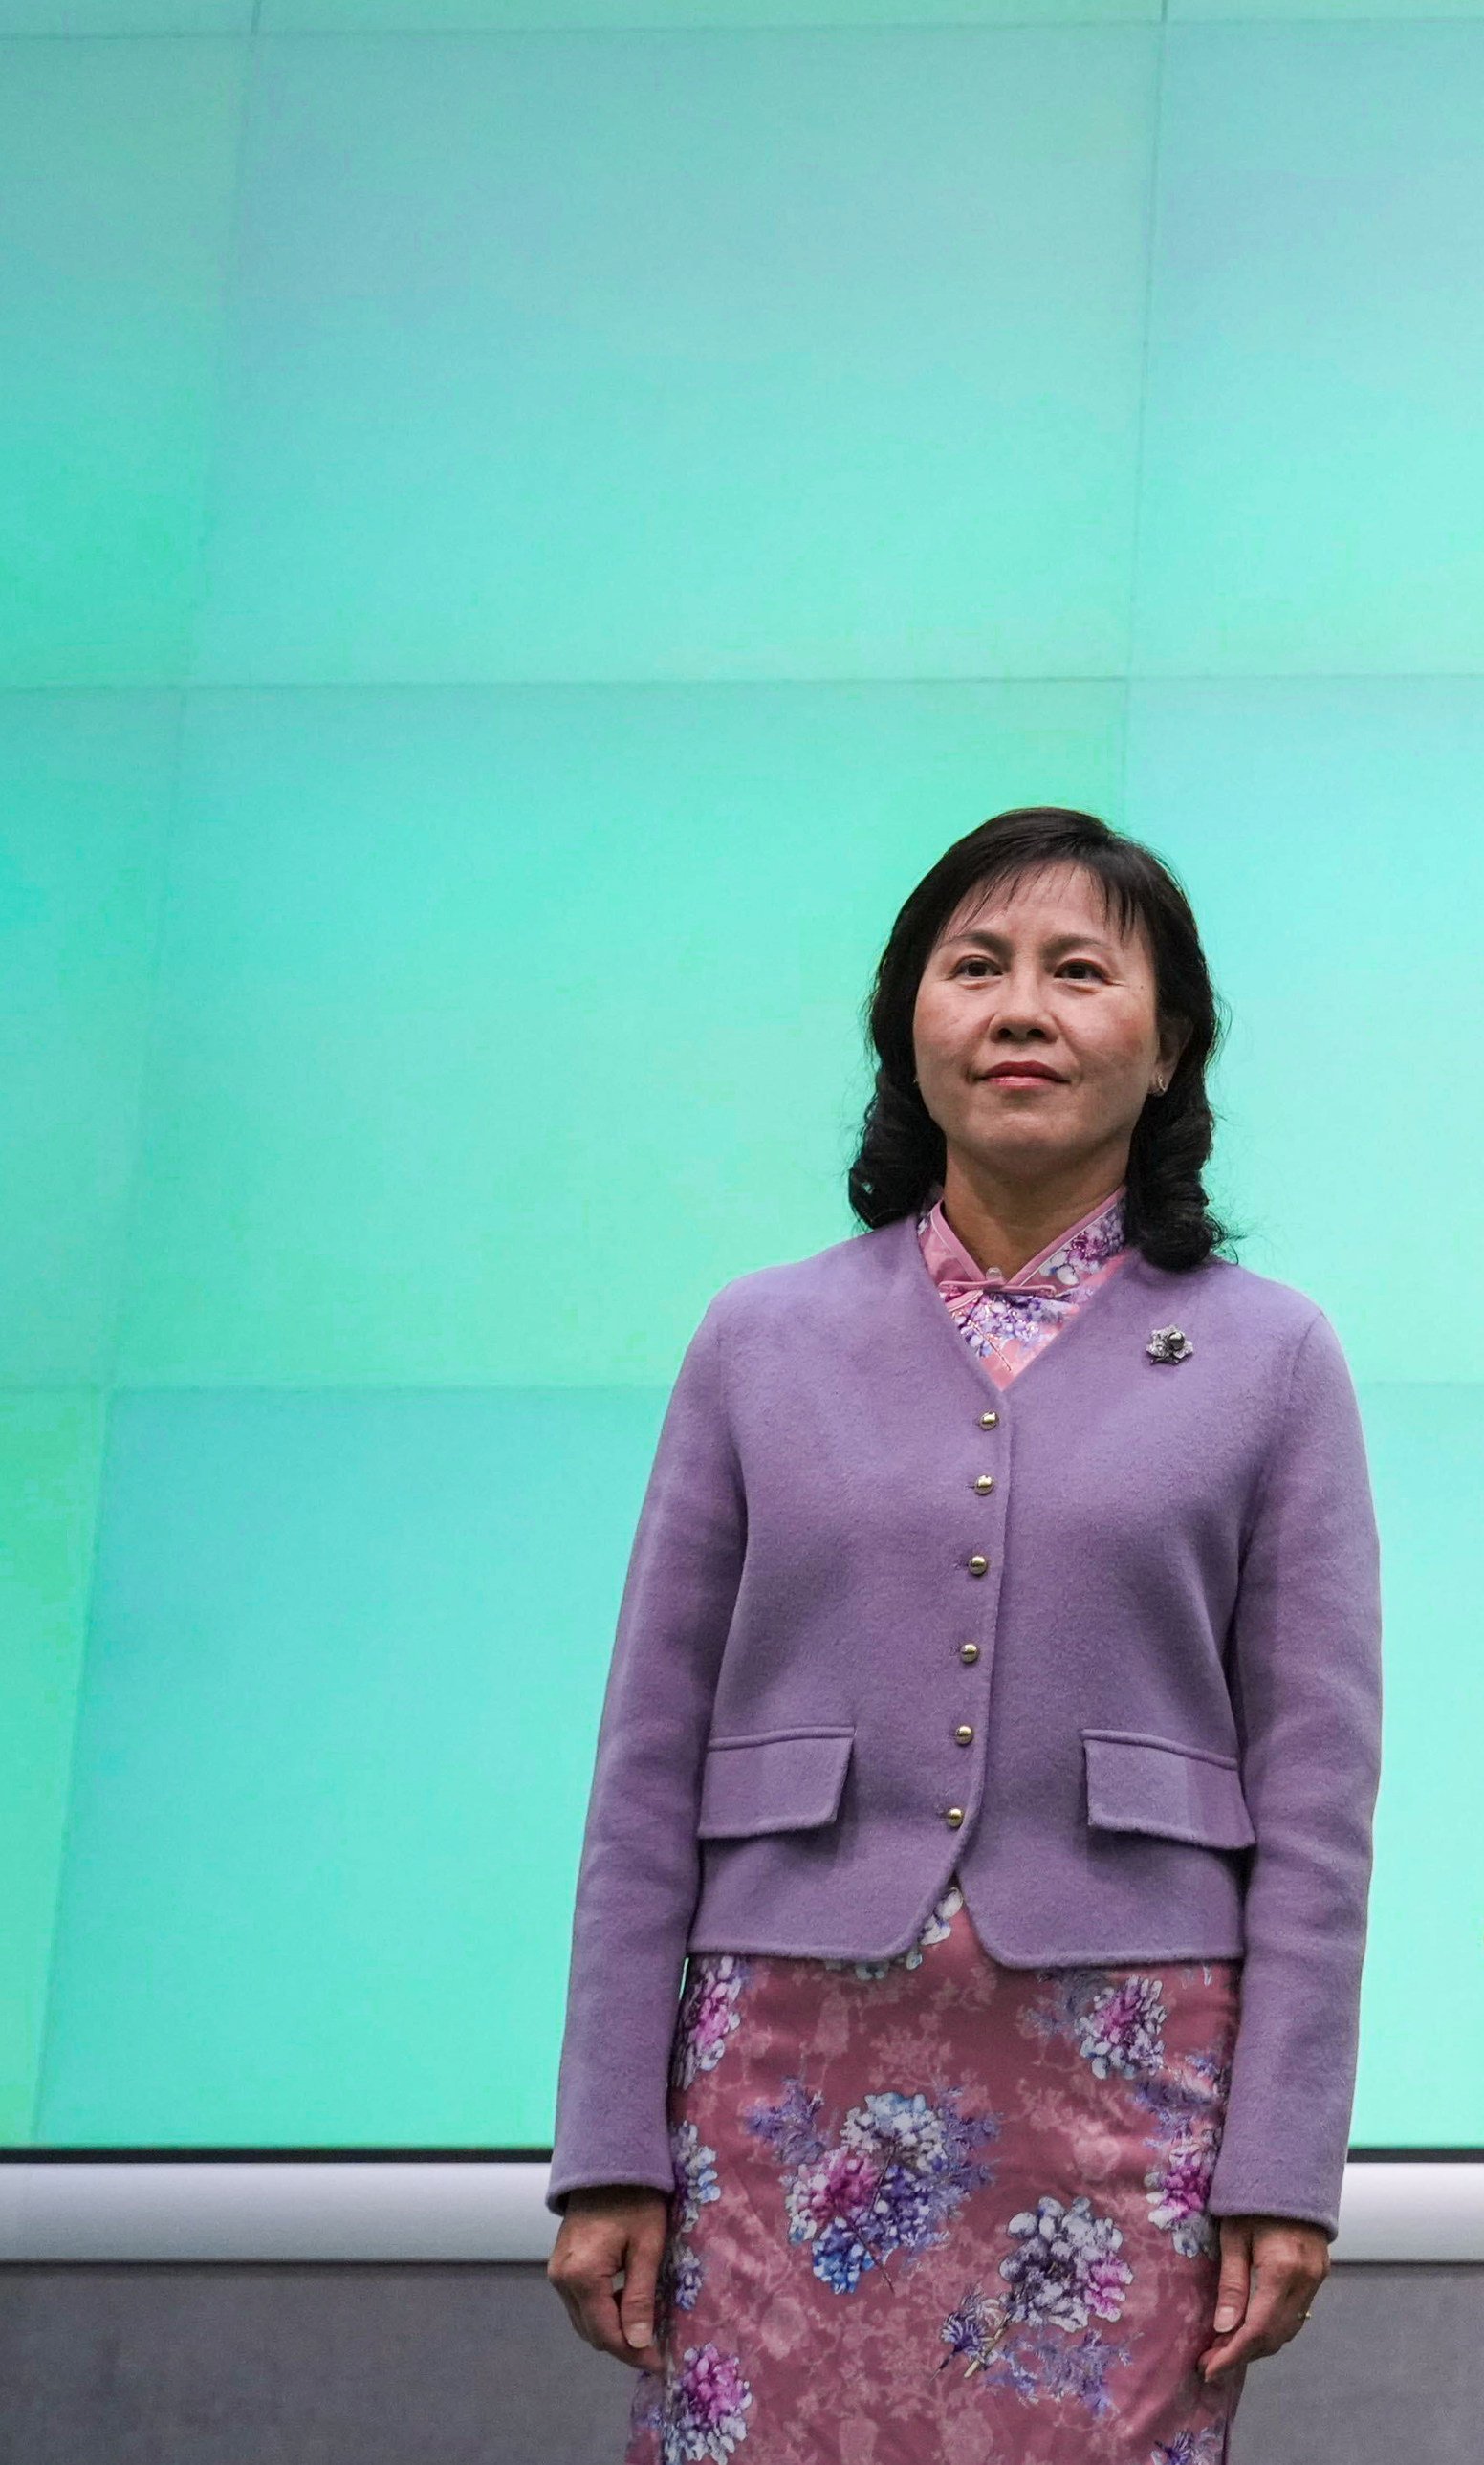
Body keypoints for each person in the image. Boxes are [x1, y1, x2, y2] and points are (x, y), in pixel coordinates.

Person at [544, 808, 1382, 2464]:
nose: (1021, 1008)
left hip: (1127, 2089)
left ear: (1171, 1048)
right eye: (975, 966)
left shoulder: (1273, 1358)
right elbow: (644, 1766)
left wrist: (1284, 2164)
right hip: (778, 2073)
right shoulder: (755, 1336)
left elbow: (1319, 1805)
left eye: (1082, 972)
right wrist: (605, 2146)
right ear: (903, 1024)